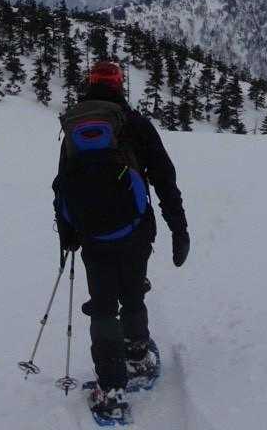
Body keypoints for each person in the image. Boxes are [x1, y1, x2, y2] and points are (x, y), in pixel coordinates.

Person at [53, 59, 189, 422]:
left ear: (90, 84)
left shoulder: (75, 127)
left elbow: (63, 185)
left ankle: (111, 390)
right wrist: (179, 228)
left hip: (93, 235)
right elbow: (164, 178)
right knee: (132, 291)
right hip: (136, 228)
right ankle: (138, 357)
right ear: (118, 85)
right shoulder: (135, 124)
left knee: (102, 305)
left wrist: (68, 234)